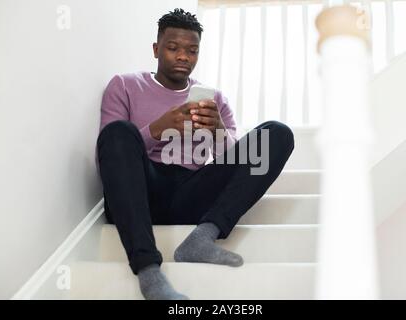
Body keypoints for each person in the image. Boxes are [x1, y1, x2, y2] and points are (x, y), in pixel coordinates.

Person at [95, 8, 294, 300]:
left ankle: (202, 238)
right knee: (117, 132)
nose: (183, 56)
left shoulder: (214, 98)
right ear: (156, 49)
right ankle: (149, 273)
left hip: (194, 193)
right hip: (143, 193)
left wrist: (218, 131)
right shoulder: (125, 86)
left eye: (192, 50)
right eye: (173, 48)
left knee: (277, 134)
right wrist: (159, 128)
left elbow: (240, 165)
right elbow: (108, 158)